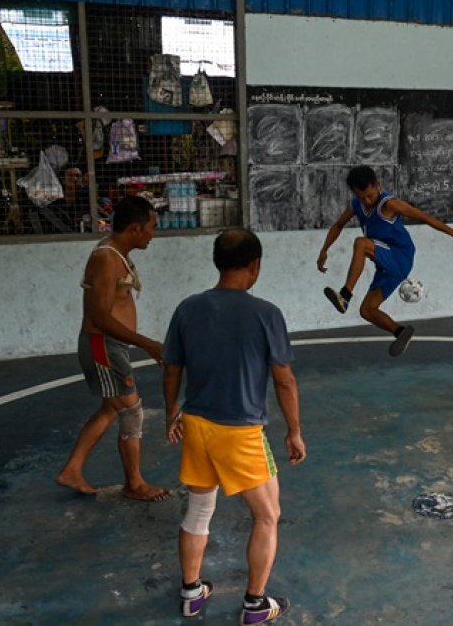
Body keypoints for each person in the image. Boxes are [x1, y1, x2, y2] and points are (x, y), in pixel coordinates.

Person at [163, 228, 306, 622]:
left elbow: (172, 367)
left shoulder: (187, 308)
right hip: (240, 432)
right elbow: (284, 379)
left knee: (199, 509)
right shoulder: (265, 314)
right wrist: (293, 430)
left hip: (196, 424)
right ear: (254, 266)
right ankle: (256, 605)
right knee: (267, 516)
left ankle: (192, 593)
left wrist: (171, 410)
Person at [56, 195, 169, 502]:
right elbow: (100, 317)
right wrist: (147, 344)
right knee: (131, 411)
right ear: (135, 228)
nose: (152, 234)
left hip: (110, 346)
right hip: (104, 346)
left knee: (112, 407)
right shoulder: (106, 258)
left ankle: (73, 469)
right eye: (151, 227)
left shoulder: (115, 254)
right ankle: (134, 484)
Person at [318, 165, 453, 357]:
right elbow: (338, 224)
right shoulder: (356, 204)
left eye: (370, 195)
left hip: (400, 256)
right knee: (367, 310)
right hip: (385, 264)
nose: (366, 200)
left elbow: (424, 217)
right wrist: (324, 249)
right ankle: (400, 332)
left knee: (361, 244)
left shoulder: (389, 204)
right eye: (361, 196)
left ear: (378, 185)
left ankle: (345, 296)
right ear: (354, 193)